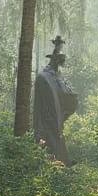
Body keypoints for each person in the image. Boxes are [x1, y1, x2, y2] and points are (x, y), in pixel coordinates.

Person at [33, 35, 77, 163]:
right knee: (51, 137)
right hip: (48, 116)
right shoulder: (45, 77)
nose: (61, 63)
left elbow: (67, 96)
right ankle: (56, 161)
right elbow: (39, 105)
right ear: (55, 60)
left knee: (57, 135)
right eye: (59, 60)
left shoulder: (57, 77)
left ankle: (62, 160)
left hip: (56, 115)